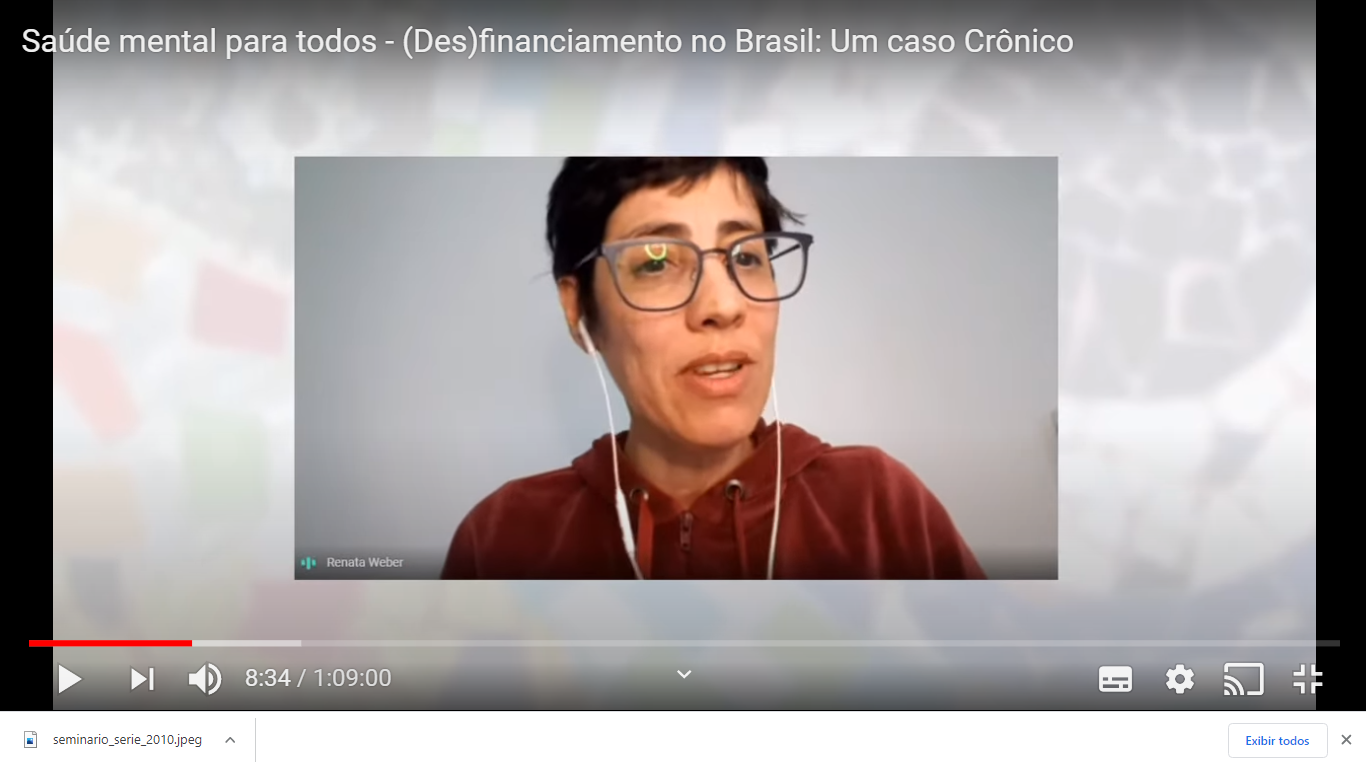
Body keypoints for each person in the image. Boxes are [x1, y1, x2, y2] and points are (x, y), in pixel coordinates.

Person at [441, 157, 985, 580]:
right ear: (578, 311)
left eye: (746, 256)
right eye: (657, 261)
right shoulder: (503, 539)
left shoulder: (877, 507)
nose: (723, 306)